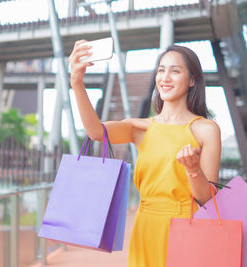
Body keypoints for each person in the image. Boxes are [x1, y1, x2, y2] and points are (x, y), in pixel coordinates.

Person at [69, 41, 221, 267]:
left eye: (175, 70)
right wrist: (77, 83)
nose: (165, 77)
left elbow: (207, 199)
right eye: (161, 70)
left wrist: (193, 169)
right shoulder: (140, 128)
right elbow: (95, 132)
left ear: (192, 80)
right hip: (146, 226)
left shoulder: (206, 129)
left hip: (187, 226)